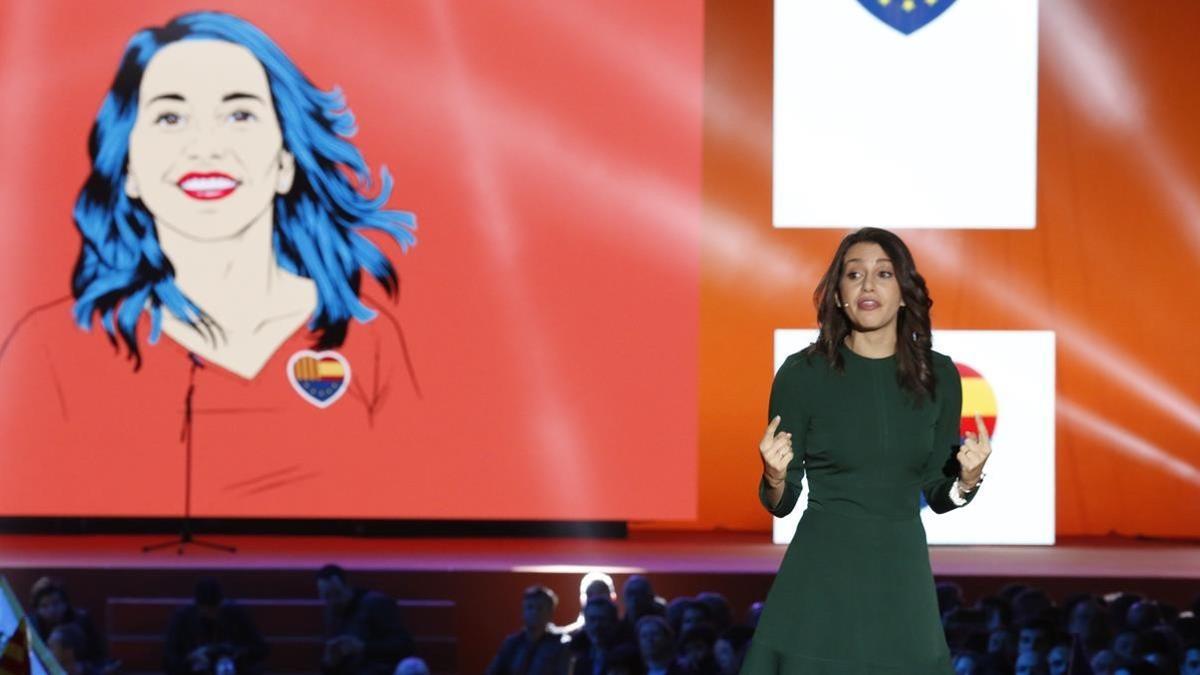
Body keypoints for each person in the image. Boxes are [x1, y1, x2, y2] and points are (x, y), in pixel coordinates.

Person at [0, 10, 419, 517]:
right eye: (170, 118)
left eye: (239, 114)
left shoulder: (366, 340)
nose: (206, 147)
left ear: (285, 160)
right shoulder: (52, 349)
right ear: (127, 167)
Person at [740, 228, 992, 673]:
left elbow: (938, 488)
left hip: (901, 568)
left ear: (903, 293)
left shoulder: (940, 376)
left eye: (883, 273)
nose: (868, 285)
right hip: (821, 570)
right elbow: (783, 502)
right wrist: (775, 477)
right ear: (838, 295)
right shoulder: (803, 374)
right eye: (854, 274)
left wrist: (965, 482)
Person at [317, 565, 414, 675]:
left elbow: (405, 646)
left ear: (348, 586)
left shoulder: (376, 604)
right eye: (326, 597)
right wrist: (329, 662)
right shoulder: (330, 615)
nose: (333, 601)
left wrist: (364, 648)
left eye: (336, 594)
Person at [164, 578, 268, 675]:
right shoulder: (182, 618)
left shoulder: (237, 614)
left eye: (214, 609)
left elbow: (261, 649)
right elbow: (169, 658)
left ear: (221, 603)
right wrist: (190, 659)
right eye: (205, 609)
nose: (210, 614)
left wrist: (236, 654)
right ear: (197, 605)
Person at [29, 578, 109, 672]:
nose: (52, 610)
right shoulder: (31, 627)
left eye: (56, 603)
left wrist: (84, 667)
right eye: (44, 606)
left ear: (65, 603)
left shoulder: (82, 621)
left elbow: (99, 659)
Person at [485, 585, 569, 675]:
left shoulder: (561, 643)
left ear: (550, 613)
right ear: (523, 611)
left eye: (540, 608)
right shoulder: (512, 643)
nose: (534, 612)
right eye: (530, 607)